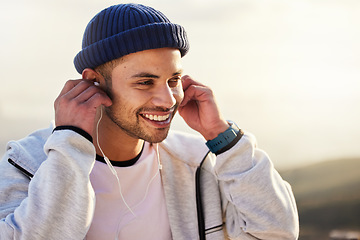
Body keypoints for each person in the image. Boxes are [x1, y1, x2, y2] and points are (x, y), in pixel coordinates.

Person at [0, 3, 299, 240]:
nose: (168, 100)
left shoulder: (196, 162)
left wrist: (222, 137)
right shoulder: (27, 162)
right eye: (145, 82)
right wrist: (70, 141)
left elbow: (276, 232)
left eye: (174, 80)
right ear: (93, 82)